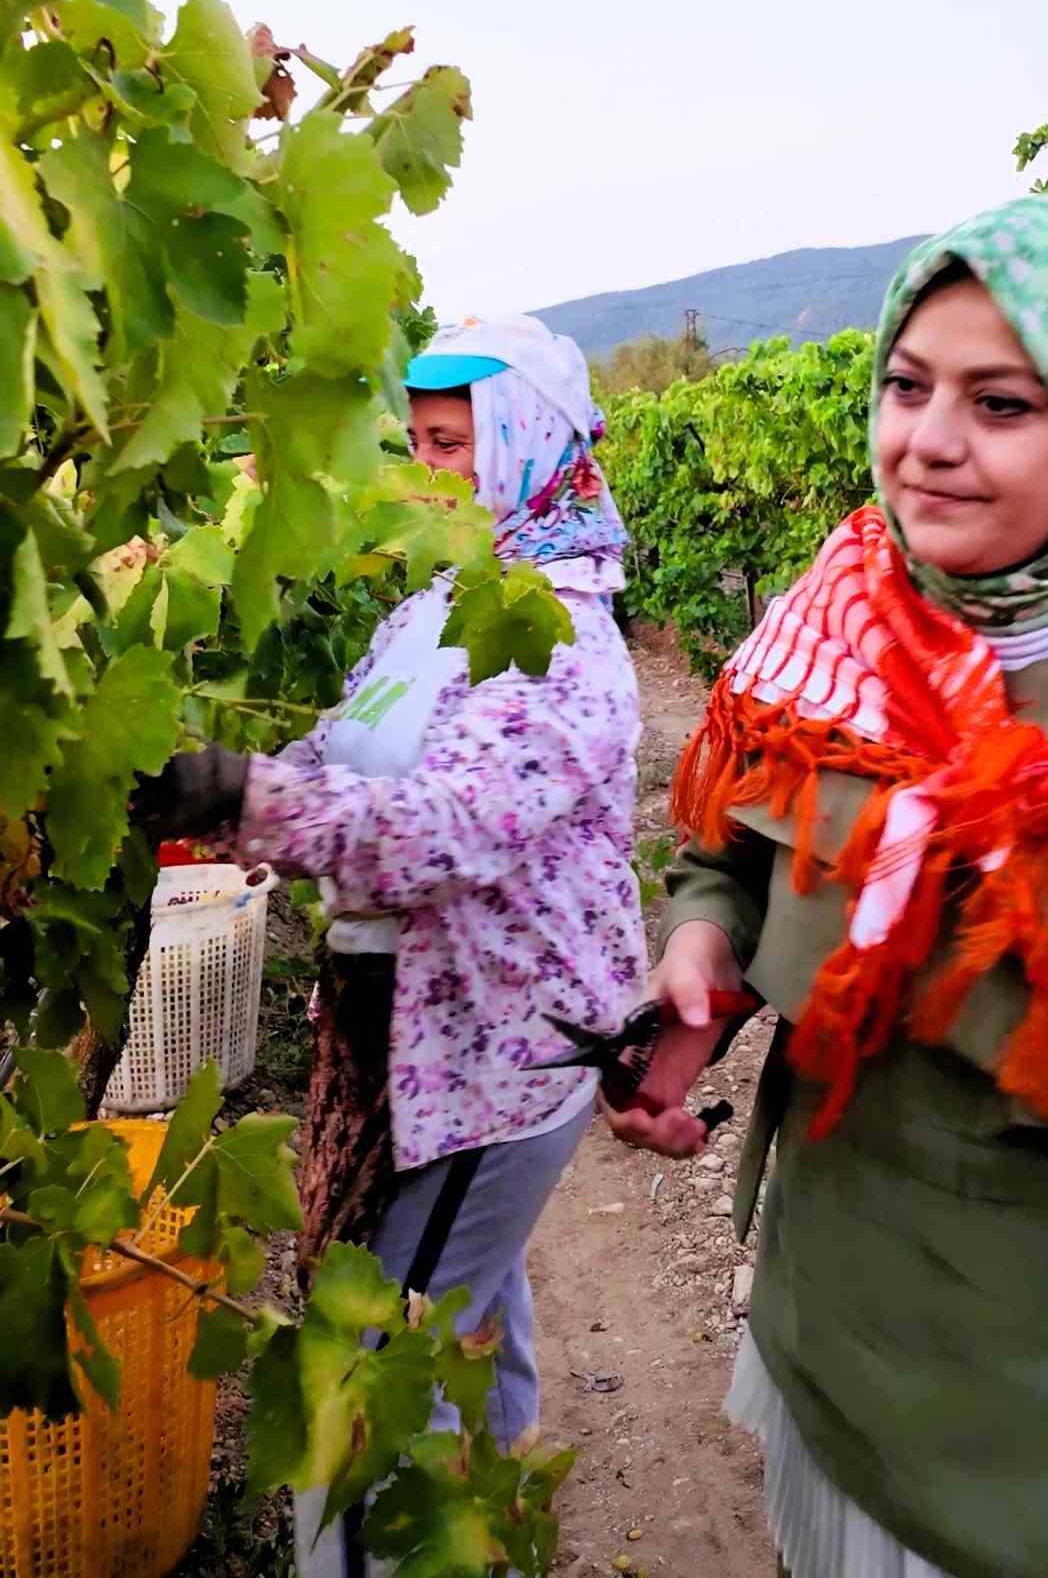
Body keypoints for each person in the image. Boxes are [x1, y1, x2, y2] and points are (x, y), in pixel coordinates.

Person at [601, 196, 1048, 1578]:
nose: (924, 440)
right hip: (840, 1335)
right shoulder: (844, 603)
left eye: (1001, 403)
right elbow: (737, 845)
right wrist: (705, 949)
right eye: (906, 386)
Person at [138, 314, 645, 1574]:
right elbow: (339, 746)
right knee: (464, 1317)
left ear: (526, 448)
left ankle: (370, 1555)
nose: (424, 471)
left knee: (369, 1358)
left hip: (496, 1054)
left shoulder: (559, 636)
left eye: (450, 444)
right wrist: (237, 794)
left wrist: (249, 796)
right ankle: (491, 1530)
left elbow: (439, 828)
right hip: (415, 1032)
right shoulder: (433, 606)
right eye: (414, 441)